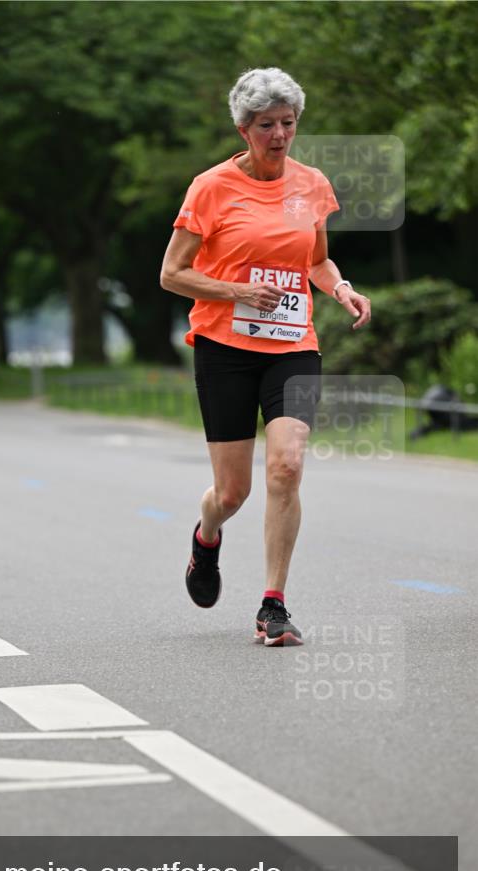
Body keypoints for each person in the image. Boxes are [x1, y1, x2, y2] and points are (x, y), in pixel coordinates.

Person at [160, 67, 371, 646]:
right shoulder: (211, 188)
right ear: (242, 128)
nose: (279, 135)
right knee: (232, 494)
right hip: (224, 346)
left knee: (287, 465)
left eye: (288, 123)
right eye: (266, 126)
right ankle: (206, 539)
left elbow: (317, 261)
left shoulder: (312, 185)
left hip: (293, 345)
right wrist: (235, 292)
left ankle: (272, 604)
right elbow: (172, 274)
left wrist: (342, 288)